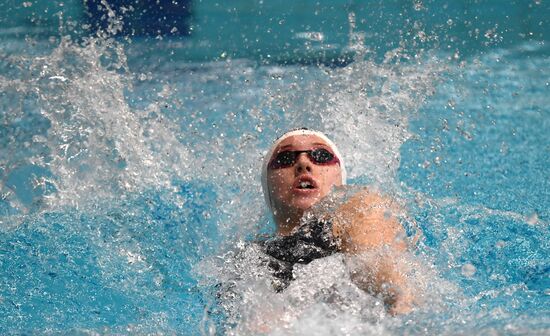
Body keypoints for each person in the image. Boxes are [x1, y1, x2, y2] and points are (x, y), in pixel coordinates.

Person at [259, 128, 415, 315]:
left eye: (321, 155)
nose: (303, 163)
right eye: (285, 158)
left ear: (340, 178)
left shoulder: (359, 211)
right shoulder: (250, 257)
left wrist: (401, 303)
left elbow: (398, 291)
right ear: (268, 184)